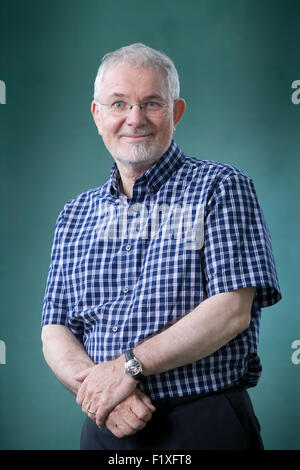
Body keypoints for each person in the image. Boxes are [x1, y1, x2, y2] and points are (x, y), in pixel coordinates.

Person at [41, 43, 281, 450]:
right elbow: (56, 330)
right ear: (98, 116)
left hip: (205, 422)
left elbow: (232, 311)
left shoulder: (221, 188)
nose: (135, 119)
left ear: (176, 112)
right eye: (119, 104)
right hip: (106, 427)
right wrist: (102, 392)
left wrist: (128, 368)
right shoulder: (75, 214)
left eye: (151, 103)